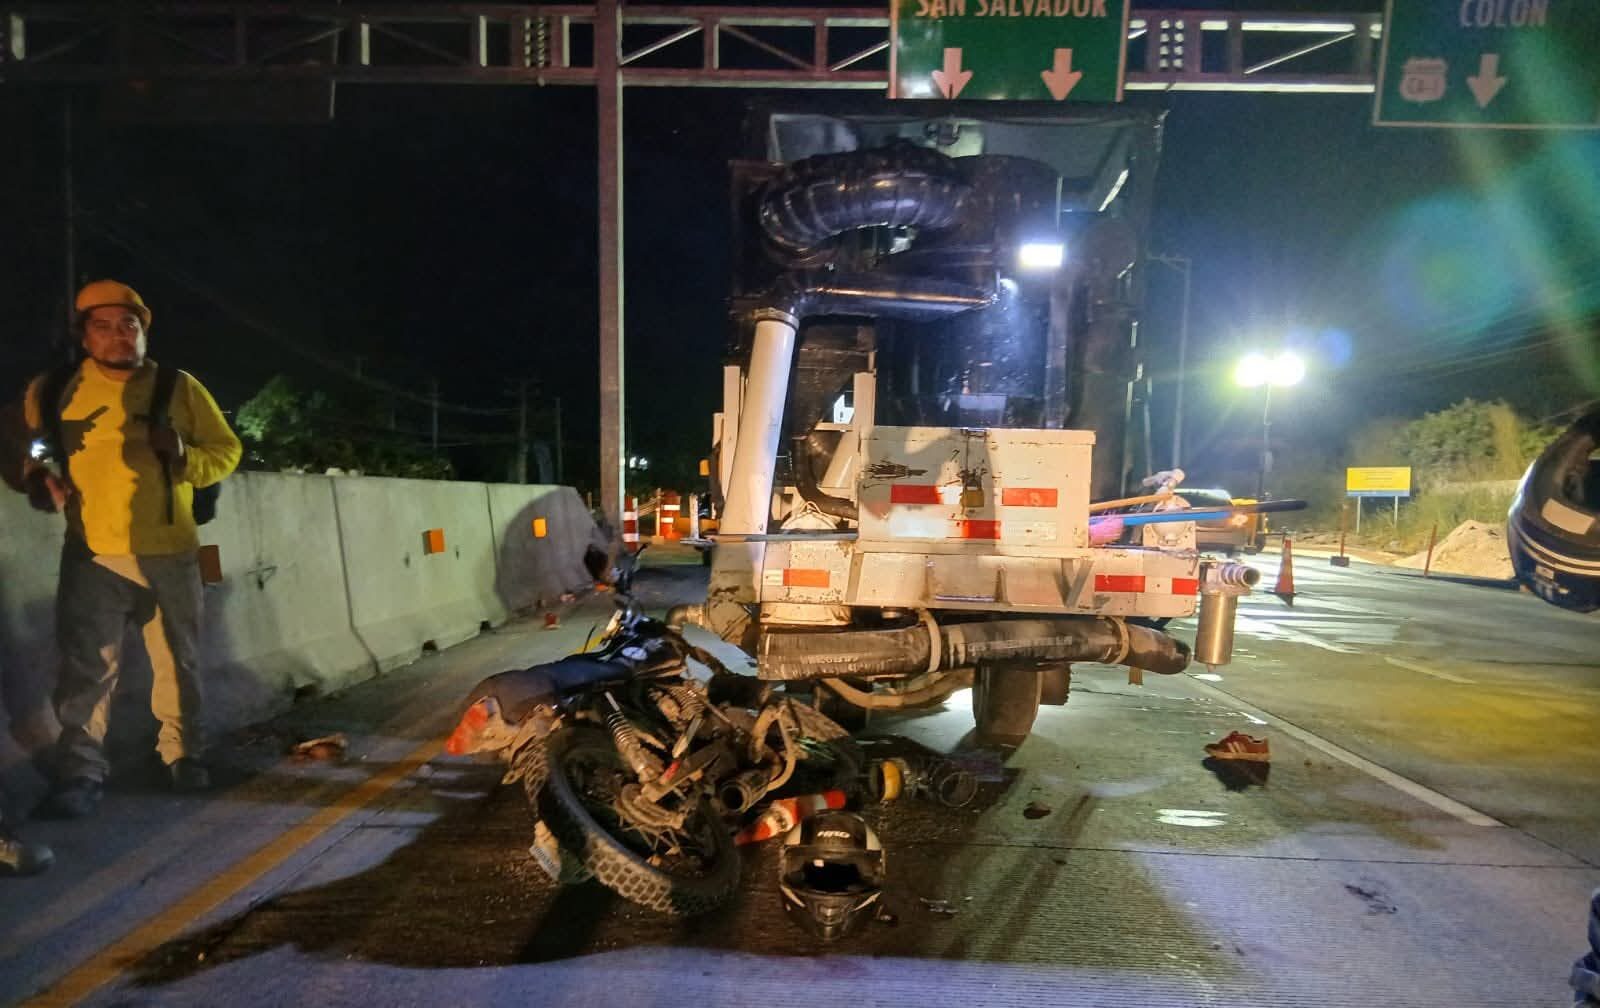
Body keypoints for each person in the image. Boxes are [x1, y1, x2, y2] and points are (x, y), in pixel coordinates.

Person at [20, 280, 241, 818]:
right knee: (87, 670)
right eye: (104, 326)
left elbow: (227, 450)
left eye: (129, 324)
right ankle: (79, 775)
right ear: (83, 336)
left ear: (144, 329)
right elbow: (33, 453)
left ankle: (185, 757)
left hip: (170, 551)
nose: (119, 335)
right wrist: (37, 479)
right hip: (92, 554)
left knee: (179, 664)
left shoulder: (178, 387)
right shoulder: (52, 392)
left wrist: (186, 455)